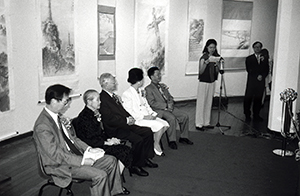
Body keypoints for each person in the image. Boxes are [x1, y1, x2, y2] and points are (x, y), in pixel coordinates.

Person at [33, 84, 129, 196]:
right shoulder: (42, 126)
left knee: (111, 160)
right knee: (100, 175)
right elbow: (55, 155)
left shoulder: (57, 117)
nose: (67, 104)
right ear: (54, 101)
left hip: (74, 155)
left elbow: (73, 139)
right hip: (60, 165)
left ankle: (114, 191)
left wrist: (89, 149)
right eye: (65, 101)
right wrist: (82, 161)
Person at [99, 73, 158, 177]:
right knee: (138, 139)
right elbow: (109, 119)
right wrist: (126, 120)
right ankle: (134, 166)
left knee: (147, 131)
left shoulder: (112, 96)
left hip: (123, 124)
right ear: (105, 84)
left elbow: (122, 111)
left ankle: (144, 158)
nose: (116, 84)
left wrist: (130, 118)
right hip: (115, 129)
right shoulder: (102, 99)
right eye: (113, 82)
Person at [74, 89, 132, 172]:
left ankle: (116, 175)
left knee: (125, 149)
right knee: (124, 151)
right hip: (93, 147)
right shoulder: (85, 118)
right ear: (89, 102)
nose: (100, 102)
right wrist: (107, 143)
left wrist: (110, 139)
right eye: (97, 100)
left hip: (100, 141)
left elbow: (100, 132)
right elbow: (89, 140)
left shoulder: (94, 113)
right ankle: (115, 176)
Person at [122, 68, 169, 156]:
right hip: (138, 119)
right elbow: (129, 111)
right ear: (139, 81)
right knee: (160, 126)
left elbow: (146, 105)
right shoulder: (127, 94)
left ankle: (154, 142)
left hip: (147, 116)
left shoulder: (141, 90)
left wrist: (152, 114)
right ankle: (156, 145)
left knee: (165, 124)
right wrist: (144, 117)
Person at [145, 66, 193, 150]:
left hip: (169, 107)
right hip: (160, 110)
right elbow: (151, 103)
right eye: (157, 74)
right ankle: (172, 140)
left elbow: (170, 97)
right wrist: (166, 106)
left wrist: (170, 103)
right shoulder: (148, 89)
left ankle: (183, 137)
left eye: (160, 74)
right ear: (152, 77)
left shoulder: (162, 86)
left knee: (184, 116)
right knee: (171, 118)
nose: (160, 76)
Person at [195, 39, 221, 131]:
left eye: (214, 47)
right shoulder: (203, 57)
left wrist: (217, 65)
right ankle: (199, 123)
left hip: (212, 82)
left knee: (209, 102)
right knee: (201, 102)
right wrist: (205, 64)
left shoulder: (216, 57)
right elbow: (200, 72)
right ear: (207, 47)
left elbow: (218, 72)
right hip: (203, 82)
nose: (212, 49)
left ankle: (206, 122)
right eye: (210, 47)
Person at [243, 41, 269, 122]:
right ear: (253, 48)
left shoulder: (264, 58)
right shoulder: (249, 58)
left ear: (261, 48)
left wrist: (262, 75)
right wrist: (257, 75)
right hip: (252, 81)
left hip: (260, 82)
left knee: (258, 98)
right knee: (248, 98)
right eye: (256, 47)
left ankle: (256, 114)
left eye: (259, 47)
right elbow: (249, 69)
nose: (257, 48)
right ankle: (247, 114)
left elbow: (267, 69)